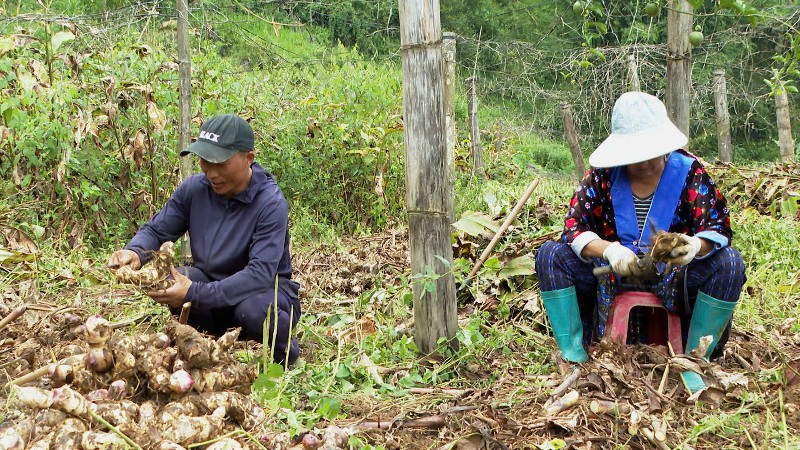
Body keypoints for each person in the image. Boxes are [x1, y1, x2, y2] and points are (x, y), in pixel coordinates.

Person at [534, 92, 745, 392]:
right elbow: (573, 228)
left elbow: (717, 227)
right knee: (550, 255)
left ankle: (696, 361)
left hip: (676, 278)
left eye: (650, 152)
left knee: (730, 263)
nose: (644, 162)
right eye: (635, 155)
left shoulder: (690, 172)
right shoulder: (602, 177)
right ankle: (575, 358)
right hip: (611, 279)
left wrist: (694, 246)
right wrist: (609, 250)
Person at [107, 114, 301, 365]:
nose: (211, 172)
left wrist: (195, 292)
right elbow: (156, 231)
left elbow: (259, 274)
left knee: (253, 309)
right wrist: (134, 252)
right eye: (205, 161)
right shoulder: (194, 190)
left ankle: (287, 353)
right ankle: (202, 347)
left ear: (248, 159)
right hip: (211, 288)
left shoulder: (270, 203)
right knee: (170, 279)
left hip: (263, 294)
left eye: (220, 163)